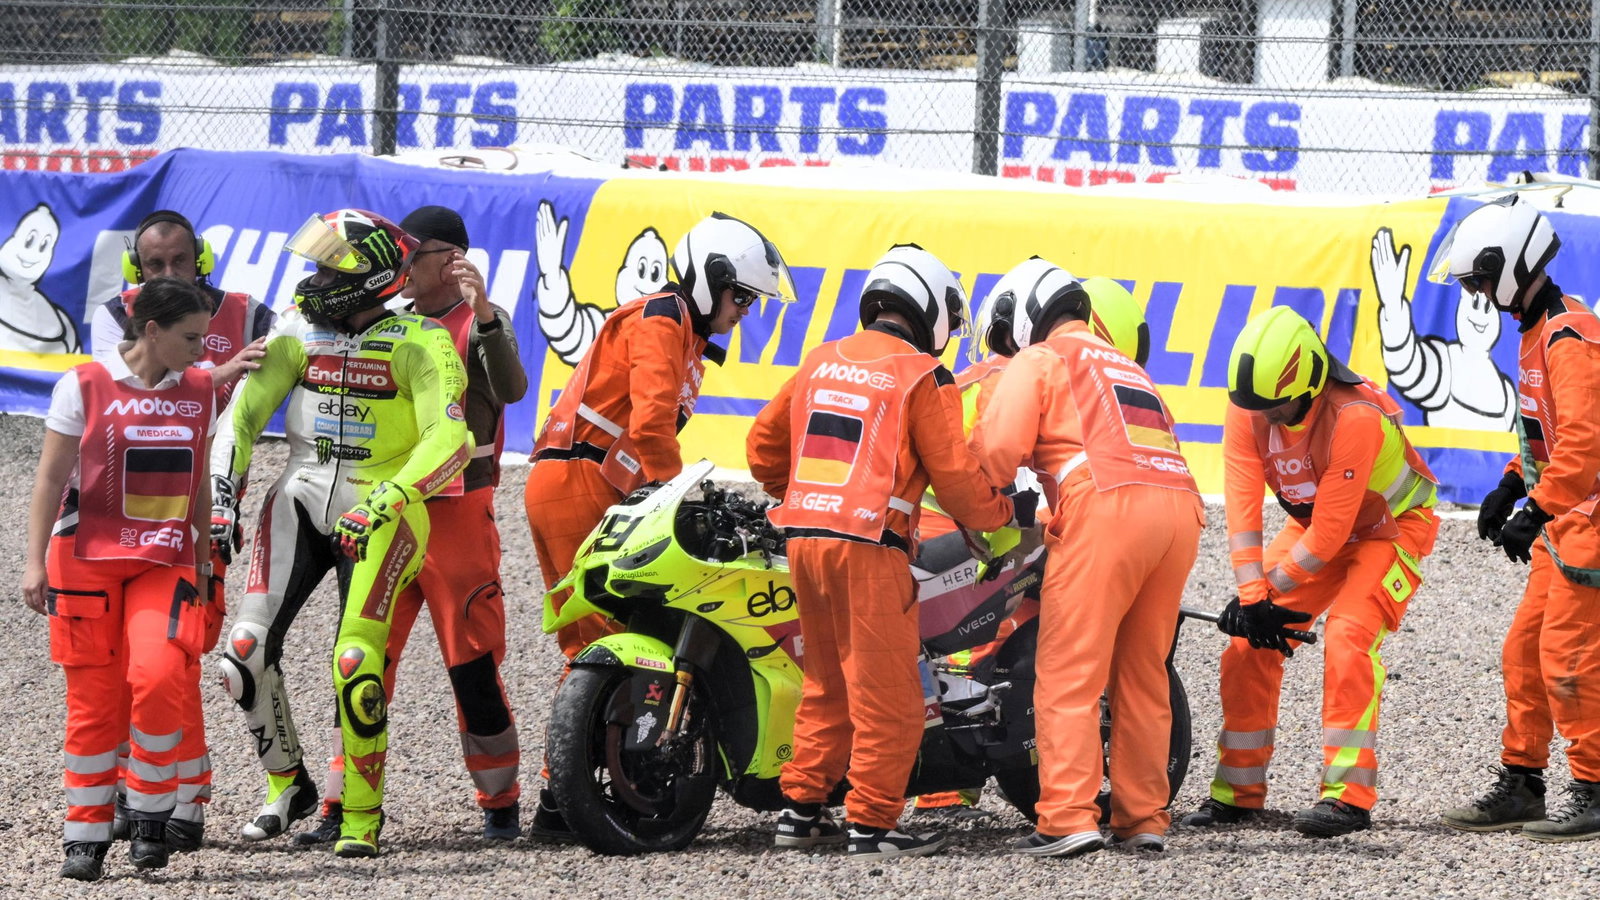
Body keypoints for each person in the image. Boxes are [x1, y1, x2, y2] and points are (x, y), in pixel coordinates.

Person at [747, 244, 1022, 860]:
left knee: (825, 681)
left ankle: (803, 809)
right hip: (869, 548)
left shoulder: (819, 361)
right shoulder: (922, 375)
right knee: (890, 694)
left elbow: (763, 446)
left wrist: (803, 501)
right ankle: (872, 825)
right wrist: (1000, 517)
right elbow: (954, 476)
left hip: (804, 544)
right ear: (928, 309)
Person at [213, 208, 470, 858]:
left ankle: (359, 817)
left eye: (331, 266)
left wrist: (391, 496)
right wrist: (223, 499)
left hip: (385, 506)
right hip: (298, 493)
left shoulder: (423, 340)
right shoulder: (295, 333)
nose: (315, 276)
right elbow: (240, 418)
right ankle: (289, 786)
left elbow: (452, 437)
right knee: (241, 654)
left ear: (372, 276)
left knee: (355, 662)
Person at [523, 211, 786, 838]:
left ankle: (566, 795)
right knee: (601, 636)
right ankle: (562, 801)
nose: (745, 310)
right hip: (582, 481)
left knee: (617, 630)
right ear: (710, 279)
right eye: (741, 296)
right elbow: (649, 429)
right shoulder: (664, 319)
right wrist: (682, 496)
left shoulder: (679, 329)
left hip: (585, 482)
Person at [297, 206, 529, 845]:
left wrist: (484, 315)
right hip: (392, 511)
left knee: (472, 663)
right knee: (363, 659)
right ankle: (342, 807)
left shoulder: (479, 320)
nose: (397, 261)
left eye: (414, 250)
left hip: (459, 514)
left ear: (450, 258)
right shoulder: (385, 324)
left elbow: (512, 388)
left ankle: (501, 801)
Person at [967, 261, 1201, 857]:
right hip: (1179, 512)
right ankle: (1143, 817)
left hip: (1107, 507)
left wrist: (980, 502)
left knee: (1070, 668)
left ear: (1025, 313)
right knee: (1143, 674)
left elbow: (997, 449)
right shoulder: (1123, 363)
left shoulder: (1044, 358)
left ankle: (1068, 815)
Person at [1182, 306, 1439, 838]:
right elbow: (1242, 507)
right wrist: (1250, 595)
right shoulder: (1249, 406)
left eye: (1278, 409)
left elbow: (1328, 538)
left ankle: (1348, 798)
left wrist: (1262, 593)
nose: (1266, 420)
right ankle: (1238, 794)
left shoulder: (1356, 417)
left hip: (1390, 530)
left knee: (1348, 637)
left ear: (1311, 384)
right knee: (1246, 645)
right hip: (1315, 526)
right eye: (1258, 409)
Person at [913, 264, 1150, 820]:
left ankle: (954, 777)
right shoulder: (1040, 372)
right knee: (1001, 640)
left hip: (939, 525)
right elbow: (1007, 482)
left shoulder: (992, 369)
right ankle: (954, 784)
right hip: (966, 528)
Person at [90, 208, 272, 853]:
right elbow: (115, 405)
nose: (169, 273)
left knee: (174, 663)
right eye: (155, 264)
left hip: (197, 522)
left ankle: (185, 803)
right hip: (114, 529)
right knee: (115, 669)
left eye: (180, 261)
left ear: (203, 260)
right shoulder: (117, 316)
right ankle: (129, 796)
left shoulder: (252, 316)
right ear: (136, 268)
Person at [24, 277, 218, 881]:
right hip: (83, 560)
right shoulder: (82, 384)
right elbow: (50, 482)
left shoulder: (202, 390)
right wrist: (32, 563)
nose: (202, 347)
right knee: (92, 701)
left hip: (165, 560)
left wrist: (207, 560)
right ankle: (83, 834)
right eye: (191, 336)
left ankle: (150, 817)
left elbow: (201, 479)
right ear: (151, 331)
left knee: (159, 677)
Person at [1437, 200, 1600, 841]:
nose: (1477, 293)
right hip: (1567, 520)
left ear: (1511, 268)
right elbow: (1548, 432)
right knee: (1525, 652)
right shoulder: (1539, 334)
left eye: (1479, 279)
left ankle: (1592, 788)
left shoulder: (1569, 338)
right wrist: (1512, 481)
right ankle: (1522, 786)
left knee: (1568, 659)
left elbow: (1585, 448)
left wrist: (1536, 507)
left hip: (1586, 523)